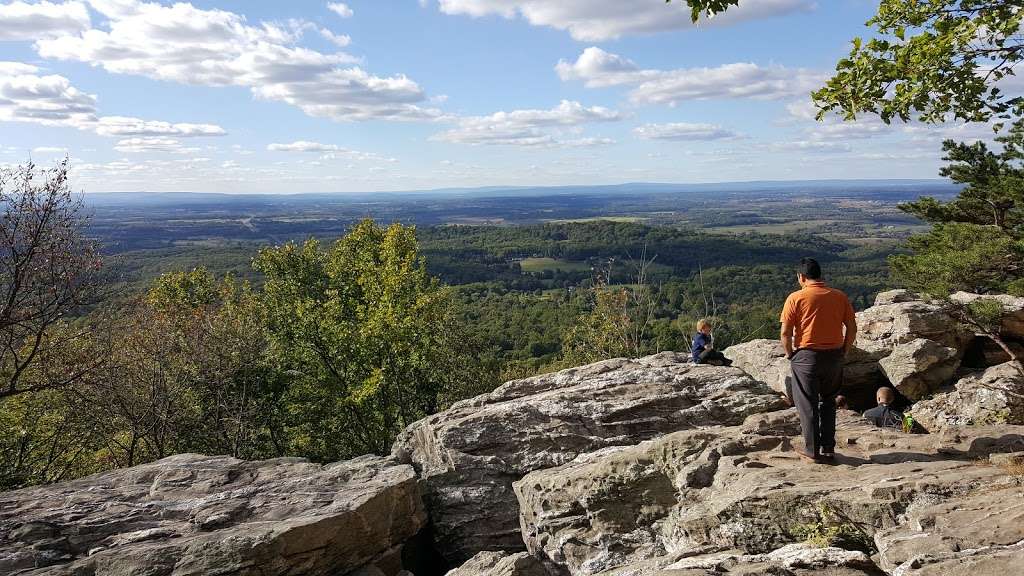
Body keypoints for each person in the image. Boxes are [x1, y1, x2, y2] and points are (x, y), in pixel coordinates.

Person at [780, 258, 857, 463]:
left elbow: (786, 333)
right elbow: (852, 327)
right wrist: (844, 351)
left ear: (801, 277)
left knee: (808, 404)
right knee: (829, 402)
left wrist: (791, 355)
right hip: (834, 356)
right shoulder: (839, 296)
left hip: (807, 357)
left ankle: (812, 451)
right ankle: (829, 449)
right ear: (820, 275)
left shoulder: (795, 298)